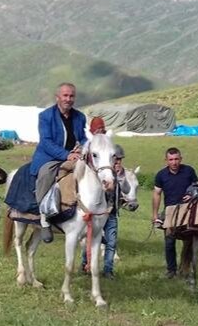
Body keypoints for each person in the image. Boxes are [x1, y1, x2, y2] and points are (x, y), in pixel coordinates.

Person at [30, 83, 87, 243]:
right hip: (50, 157)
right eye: (65, 96)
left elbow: (82, 137)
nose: (68, 99)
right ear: (58, 97)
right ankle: (44, 218)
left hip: (73, 156)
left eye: (71, 96)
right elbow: (46, 142)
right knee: (45, 175)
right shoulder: (46, 116)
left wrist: (83, 147)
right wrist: (66, 154)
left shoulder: (79, 117)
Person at [151, 147, 198, 279]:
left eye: (176, 159)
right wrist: (155, 215)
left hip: (188, 210)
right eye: (171, 159)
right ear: (166, 160)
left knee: (189, 241)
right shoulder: (161, 175)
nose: (174, 162)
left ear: (181, 159)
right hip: (170, 211)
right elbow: (157, 194)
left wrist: (191, 195)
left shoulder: (189, 171)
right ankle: (171, 270)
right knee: (169, 242)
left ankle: (186, 269)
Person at [81, 144, 126, 279]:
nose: (117, 162)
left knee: (111, 242)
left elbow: (127, 190)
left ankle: (108, 270)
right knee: (89, 240)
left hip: (111, 214)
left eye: (119, 160)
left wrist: (121, 177)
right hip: (98, 214)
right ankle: (85, 265)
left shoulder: (119, 174)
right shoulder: (100, 173)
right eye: (115, 160)